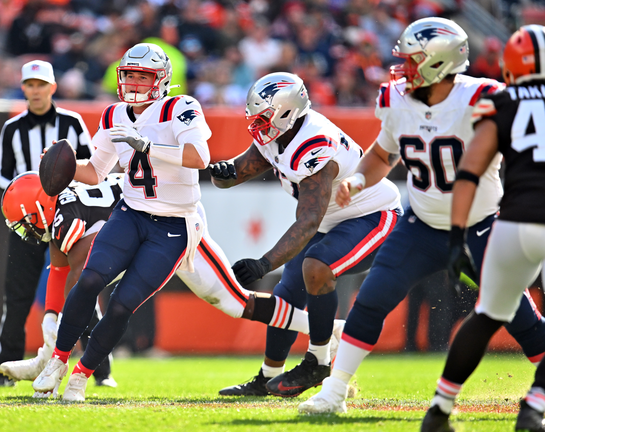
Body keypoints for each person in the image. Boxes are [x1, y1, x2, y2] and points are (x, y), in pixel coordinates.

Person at [297, 17, 545, 414]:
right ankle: (334, 392)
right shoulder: (396, 99)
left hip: (482, 225)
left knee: (517, 314)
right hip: (423, 224)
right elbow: (383, 153)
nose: (403, 70)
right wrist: (358, 181)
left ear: (439, 62)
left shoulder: (482, 97)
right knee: (372, 298)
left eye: (412, 62)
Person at [29, 42, 303, 402]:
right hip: (130, 213)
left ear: (160, 80)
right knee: (89, 280)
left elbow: (199, 157)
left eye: (143, 77)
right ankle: (59, 361)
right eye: (129, 76)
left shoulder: (180, 107)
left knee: (124, 303)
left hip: (173, 226)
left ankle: (82, 376)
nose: (134, 84)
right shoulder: (113, 115)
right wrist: (64, 169)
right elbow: (96, 171)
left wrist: (146, 146)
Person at [0, 171, 343, 396]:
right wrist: (50, 321)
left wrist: (56, 340)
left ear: (41, 205)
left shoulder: (67, 219)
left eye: (25, 220)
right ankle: (332, 330)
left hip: (171, 224)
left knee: (234, 301)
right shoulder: (63, 216)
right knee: (232, 302)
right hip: (137, 233)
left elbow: (79, 279)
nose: (25, 230)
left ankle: (331, 330)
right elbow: (61, 273)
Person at [210, 71, 403, 398]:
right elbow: (238, 172)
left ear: (286, 112)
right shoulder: (277, 132)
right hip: (334, 220)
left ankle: (318, 361)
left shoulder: (313, 142)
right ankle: (267, 378)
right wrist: (223, 173)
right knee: (287, 295)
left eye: (263, 117)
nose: (257, 125)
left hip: (373, 216)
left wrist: (264, 263)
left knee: (316, 267)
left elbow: (309, 220)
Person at [421, 25, 546, 432]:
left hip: (510, 225)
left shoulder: (502, 100)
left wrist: (457, 237)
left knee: (487, 315)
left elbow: (469, 171)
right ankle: (536, 404)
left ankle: (439, 410)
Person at [0, 59, 93, 387]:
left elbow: (92, 166)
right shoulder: (13, 128)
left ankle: (100, 369)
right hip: (29, 222)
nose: (35, 91)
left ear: (52, 87)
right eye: (29, 85)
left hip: (66, 217)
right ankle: (2, 370)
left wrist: (61, 193)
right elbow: (1, 175)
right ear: (23, 88)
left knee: (84, 286)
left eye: (40, 84)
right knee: (16, 296)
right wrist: (30, 193)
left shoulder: (72, 122)